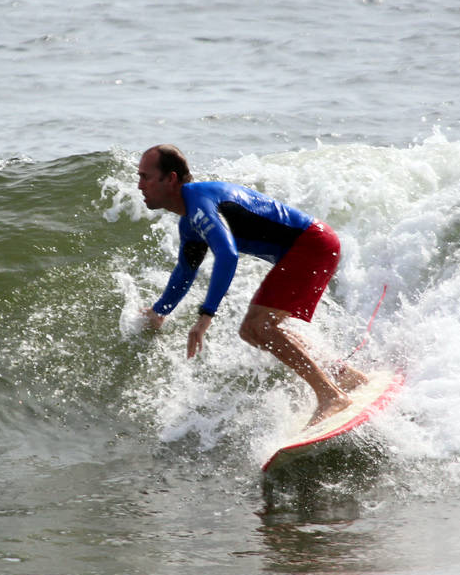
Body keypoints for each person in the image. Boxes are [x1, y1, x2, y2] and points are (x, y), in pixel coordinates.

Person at [136, 144, 366, 426]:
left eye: (146, 177)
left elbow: (227, 253)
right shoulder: (190, 222)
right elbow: (186, 271)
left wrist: (205, 317)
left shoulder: (198, 202)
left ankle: (331, 396)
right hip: (310, 247)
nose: (139, 185)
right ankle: (343, 375)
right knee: (254, 331)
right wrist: (159, 311)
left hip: (313, 244)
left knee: (259, 327)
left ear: (171, 179)